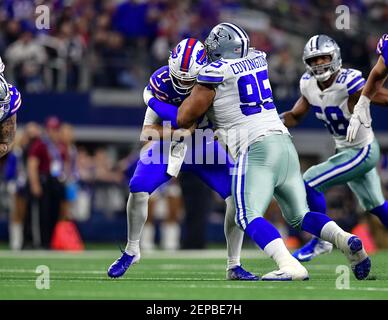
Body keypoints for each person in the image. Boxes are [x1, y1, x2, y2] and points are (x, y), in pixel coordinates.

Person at [161, 23, 370, 280]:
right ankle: (345, 239)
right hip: (283, 143)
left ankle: (289, 265)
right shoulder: (257, 58)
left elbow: (184, 117)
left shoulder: (214, 72)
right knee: (300, 216)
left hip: (255, 148)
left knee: (246, 215)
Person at [107, 38, 258, 281]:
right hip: (170, 147)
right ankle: (132, 249)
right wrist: (176, 131)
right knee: (137, 188)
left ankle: (234, 264)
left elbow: (188, 119)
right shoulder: (163, 81)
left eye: (189, 80)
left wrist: (152, 100)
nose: (182, 84)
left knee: (237, 197)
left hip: (206, 147)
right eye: (179, 78)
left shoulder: (215, 81)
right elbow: (148, 132)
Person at [279, 35, 388, 262]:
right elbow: (295, 116)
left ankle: (321, 241)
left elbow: (383, 97)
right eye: (314, 60)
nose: (319, 63)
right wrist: (273, 121)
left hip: (361, 151)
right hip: (346, 151)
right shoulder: (308, 84)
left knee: (310, 180)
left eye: (323, 58)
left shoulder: (349, 82)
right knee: (377, 206)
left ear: (335, 56)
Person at [26, 116, 66, 249]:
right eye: (51, 130)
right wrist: (35, 184)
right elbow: (32, 164)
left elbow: (63, 164)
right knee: (42, 213)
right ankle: (41, 242)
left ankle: (50, 241)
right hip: (43, 179)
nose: (53, 132)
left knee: (54, 213)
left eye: (55, 130)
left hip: (55, 181)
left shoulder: (60, 146)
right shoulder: (40, 144)